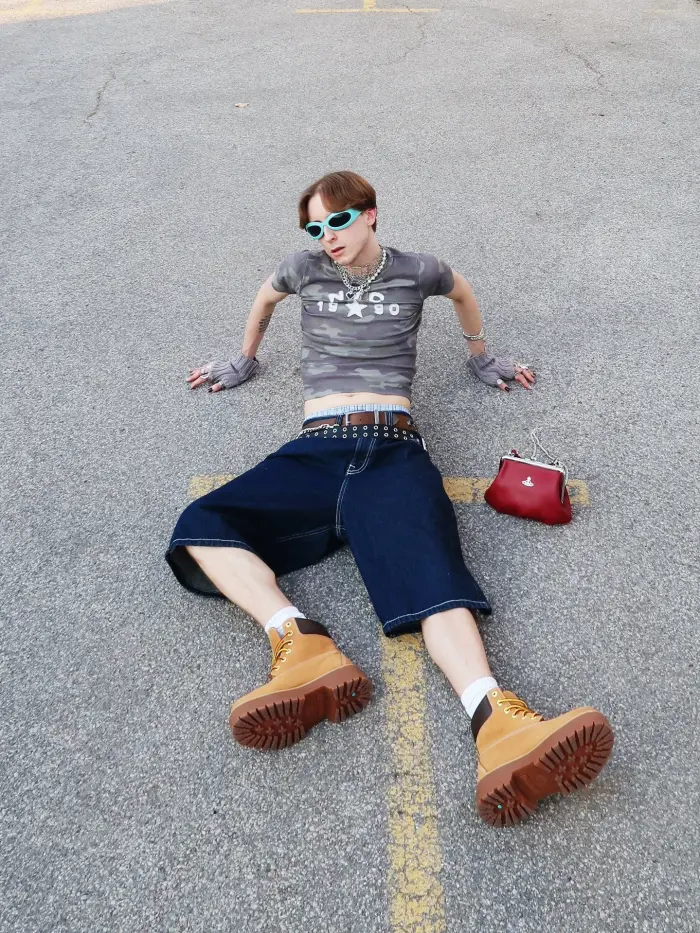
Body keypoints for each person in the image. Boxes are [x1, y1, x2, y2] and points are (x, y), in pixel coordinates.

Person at [166, 170, 613, 826]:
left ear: (369, 214)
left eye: (336, 223)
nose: (326, 238)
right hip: (315, 448)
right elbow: (263, 300)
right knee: (201, 523)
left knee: (435, 579)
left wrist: (479, 355)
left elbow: (461, 292)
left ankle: (498, 723)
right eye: (314, 229)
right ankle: (299, 643)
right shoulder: (302, 269)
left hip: (392, 448)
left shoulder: (417, 270)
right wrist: (245, 358)